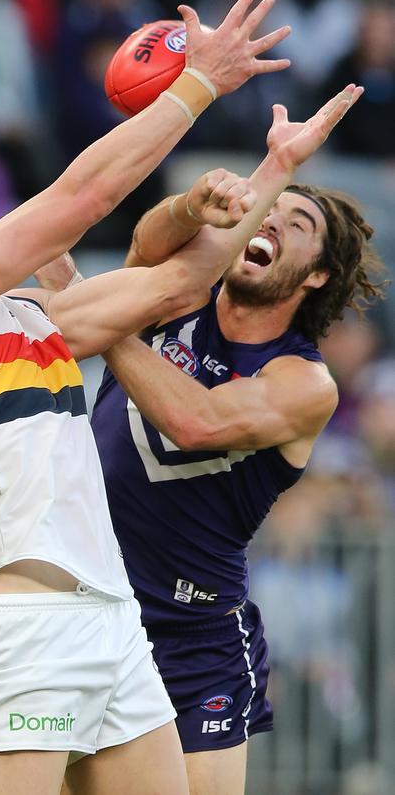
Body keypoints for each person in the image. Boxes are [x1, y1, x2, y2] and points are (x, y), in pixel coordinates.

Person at [0, 0, 311, 795]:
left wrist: (275, 169)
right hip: (21, 625)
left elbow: (179, 285)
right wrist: (198, 87)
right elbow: (83, 200)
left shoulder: (24, 312)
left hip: (113, 619)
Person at [80, 121, 385, 793]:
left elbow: (193, 420)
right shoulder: (182, 295)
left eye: (296, 222)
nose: (269, 221)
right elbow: (144, 243)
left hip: (193, 637)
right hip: (89, 614)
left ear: (319, 274)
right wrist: (192, 206)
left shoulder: (304, 383)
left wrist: (107, 325)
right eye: (264, 210)